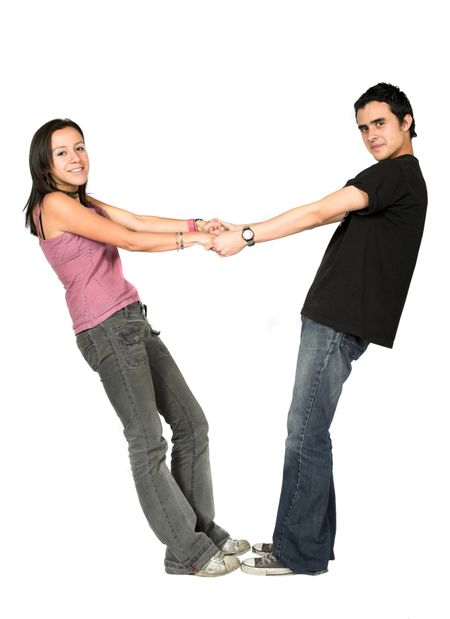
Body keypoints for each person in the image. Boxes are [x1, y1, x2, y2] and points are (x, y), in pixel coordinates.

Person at [209, 83, 427, 575]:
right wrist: (247, 229)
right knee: (310, 430)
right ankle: (306, 544)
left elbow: (318, 210)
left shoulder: (396, 174)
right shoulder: (394, 177)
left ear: (406, 121)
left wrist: (246, 236)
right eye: (363, 128)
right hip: (333, 317)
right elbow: (317, 219)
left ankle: (297, 551)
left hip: (338, 320)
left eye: (380, 123)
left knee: (304, 431)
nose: (371, 135)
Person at [24, 118, 249, 576]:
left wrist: (195, 221)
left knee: (192, 424)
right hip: (105, 329)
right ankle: (190, 552)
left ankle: (198, 538)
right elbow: (128, 239)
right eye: (63, 151)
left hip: (132, 321)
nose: (76, 157)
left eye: (81, 147)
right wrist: (199, 240)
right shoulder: (53, 204)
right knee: (147, 443)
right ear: (45, 163)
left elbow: (136, 220)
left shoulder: (78, 201)